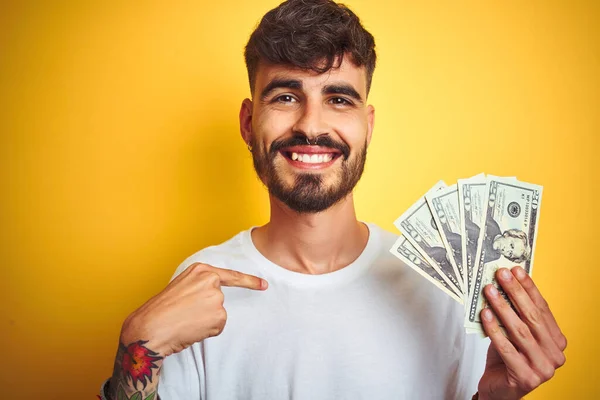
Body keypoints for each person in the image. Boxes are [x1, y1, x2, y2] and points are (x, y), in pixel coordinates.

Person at [99, 1, 566, 399]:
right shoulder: (199, 286)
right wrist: (135, 350)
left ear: (368, 125)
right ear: (247, 122)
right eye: (285, 96)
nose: (311, 125)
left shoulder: (441, 290)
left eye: (339, 99)